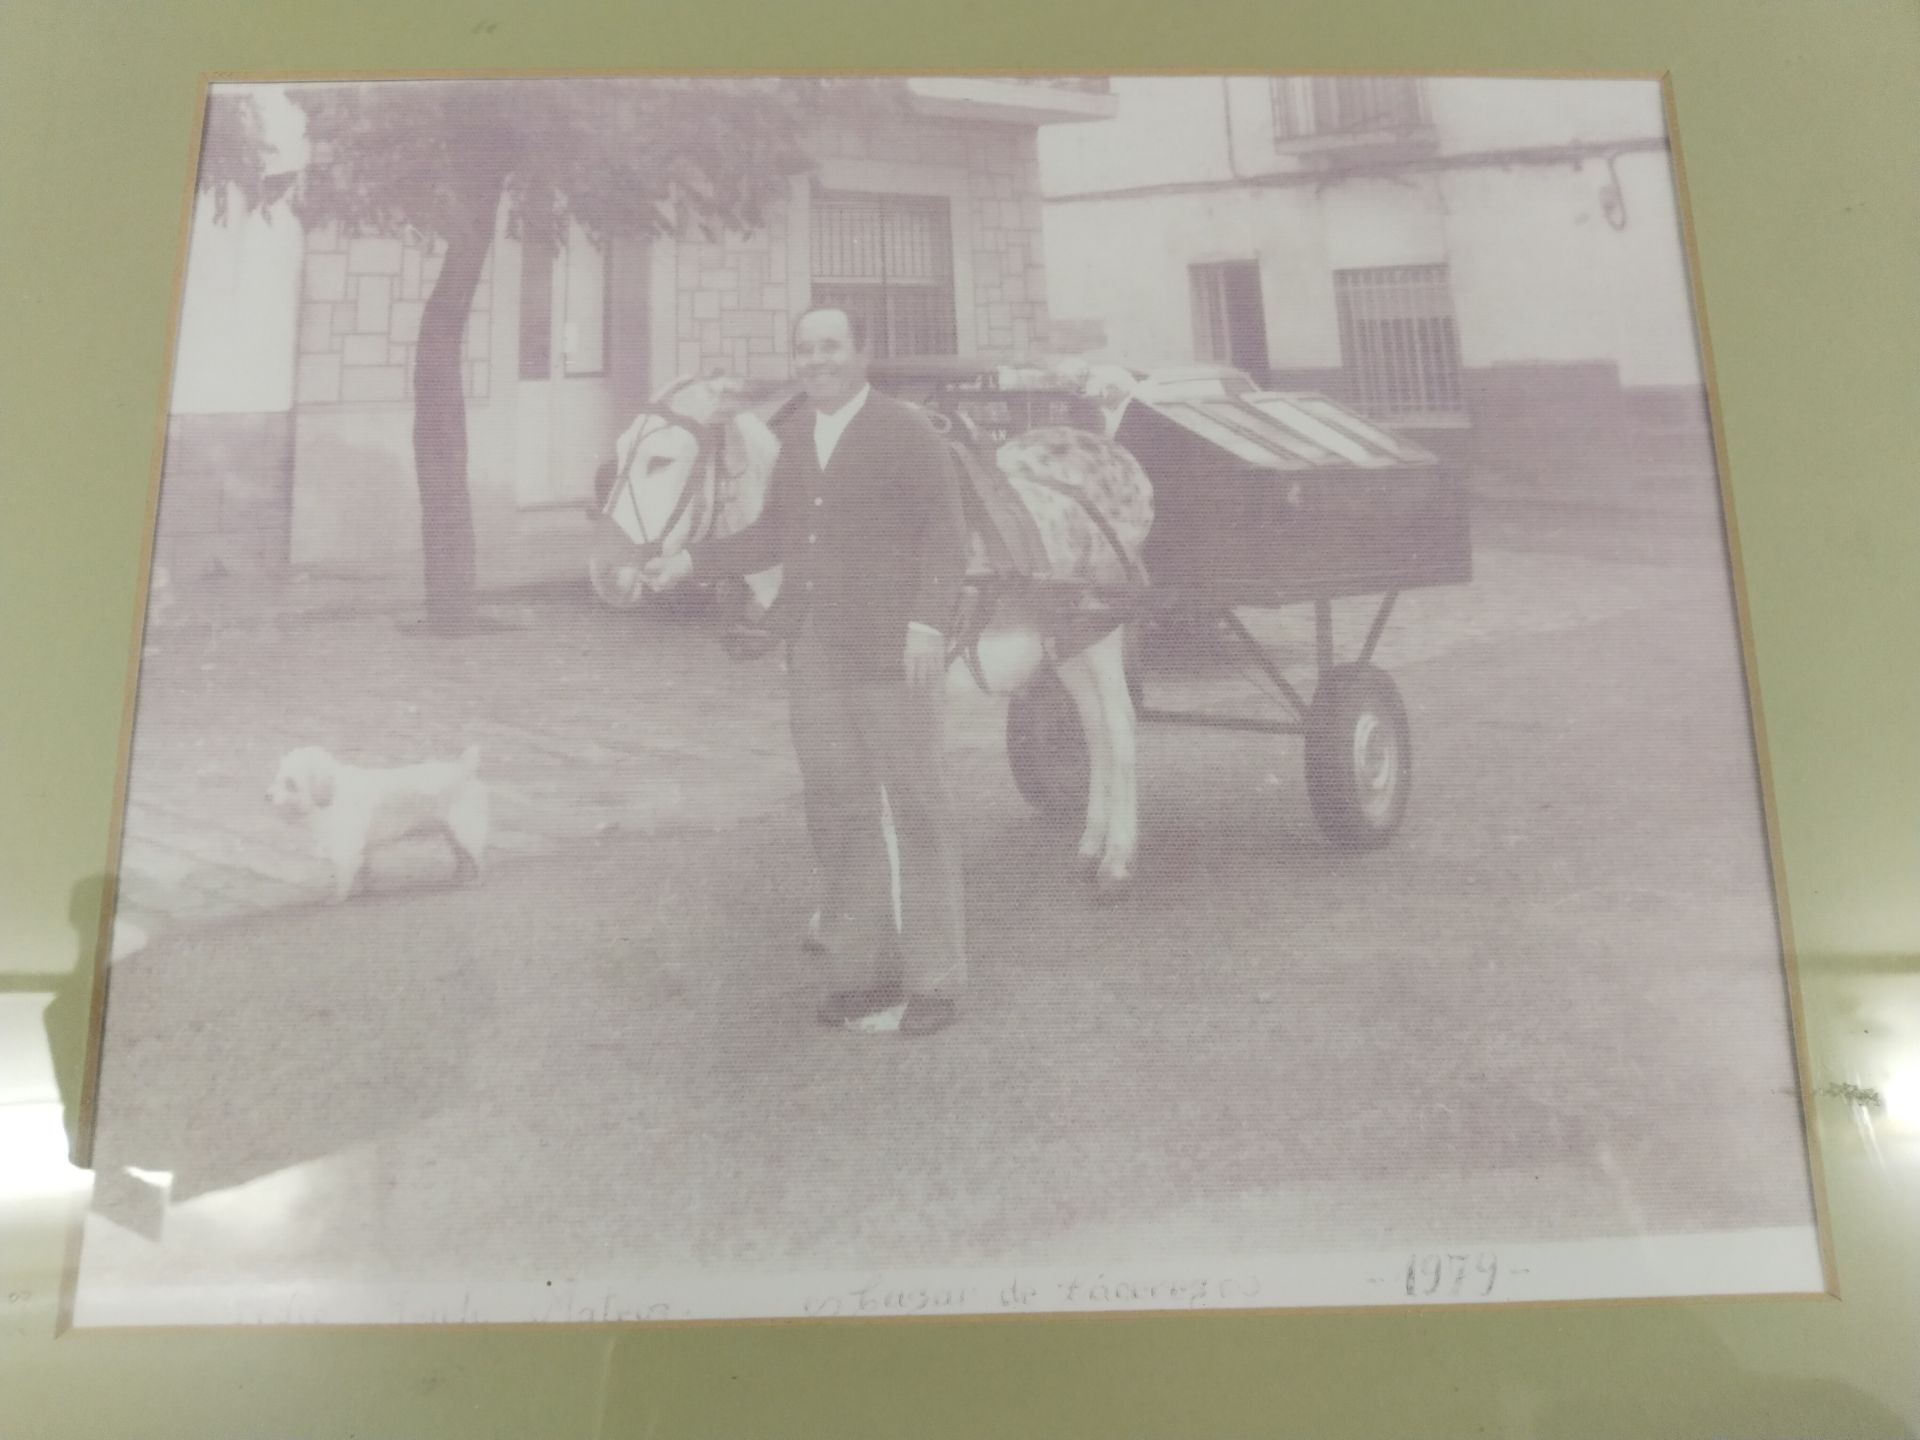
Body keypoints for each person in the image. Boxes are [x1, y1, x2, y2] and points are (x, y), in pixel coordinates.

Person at [642, 306, 970, 1038]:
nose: (816, 360)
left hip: (893, 649)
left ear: (862, 352)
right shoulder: (794, 438)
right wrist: (689, 560)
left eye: (830, 346)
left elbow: (946, 538)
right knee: (838, 808)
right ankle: (860, 973)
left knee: (917, 807)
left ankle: (936, 980)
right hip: (816, 650)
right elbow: (773, 535)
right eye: (804, 349)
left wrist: (927, 625)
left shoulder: (906, 431)